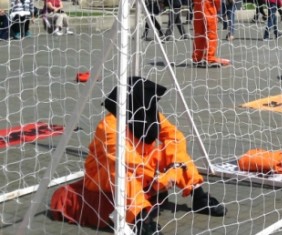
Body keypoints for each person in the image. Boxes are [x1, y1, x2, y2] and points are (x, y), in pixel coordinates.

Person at [83, 77, 226, 234]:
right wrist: (156, 179)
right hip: (103, 176)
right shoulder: (109, 126)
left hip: (144, 169)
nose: (152, 106)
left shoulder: (148, 115)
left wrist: (174, 165)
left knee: (176, 152)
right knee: (123, 172)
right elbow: (125, 160)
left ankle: (198, 195)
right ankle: (141, 221)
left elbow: (175, 137)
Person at [191, 0, 230, 66]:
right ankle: (209, 57)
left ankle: (196, 58)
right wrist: (218, 10)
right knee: (211, 35)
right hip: (208, 10)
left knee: (199, 35)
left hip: (198, 10)